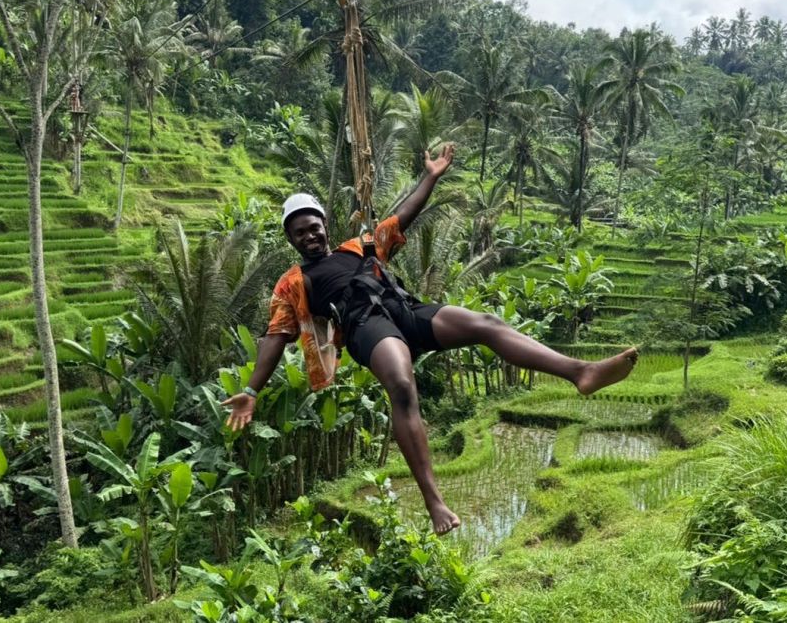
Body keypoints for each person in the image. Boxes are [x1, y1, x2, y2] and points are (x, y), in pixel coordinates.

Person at [221, 145, 638, 534]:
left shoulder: (360, 246)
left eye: (313, 227)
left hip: (405, 312)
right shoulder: (293, 283)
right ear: (291, 239)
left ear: (324, 224)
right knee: (402, 386)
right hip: (368, 328)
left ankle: (580, 373)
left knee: (486, 323)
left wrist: (432, 176)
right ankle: (435, 502)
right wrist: (251, 390)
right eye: (299, 233)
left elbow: (404, 215)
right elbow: (276, 336)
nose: (309, 236)